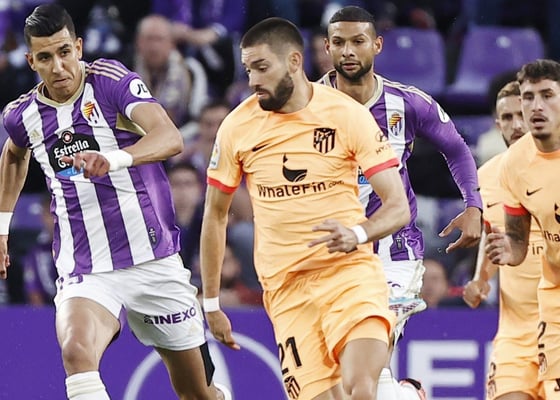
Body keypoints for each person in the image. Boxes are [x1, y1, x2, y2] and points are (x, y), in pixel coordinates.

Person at [0, 4, 230, 400]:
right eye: (45, 58)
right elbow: (13, 155)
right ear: (31, 61)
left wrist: (115, 159)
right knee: (76, 350)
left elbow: (169, 137)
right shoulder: (23, 115)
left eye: (64, 52)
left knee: (197, 392)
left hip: (153, 260)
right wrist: (2, 227)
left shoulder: (109, 81)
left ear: (78, 47)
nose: (58, 67)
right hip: (86, 266)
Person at [200, 16, 411, 400]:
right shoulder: (237, 127)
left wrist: (357, 234)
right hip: (286, 290)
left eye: (262, 68)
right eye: (248, 70)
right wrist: (211, 302)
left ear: (294, 62)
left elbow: (398, 206)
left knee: (361, 389)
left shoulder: (346, 115)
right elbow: (215, 215)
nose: (253, 80)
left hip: (348, 274)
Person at [320, 5, 483, 399]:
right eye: (339, 42)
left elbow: (456, 148)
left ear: (377, 45)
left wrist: (473, 205)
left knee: (367, 361)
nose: (348, 51)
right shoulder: (305, 106)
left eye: (358, 41)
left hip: (393, 252)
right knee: (339, 379)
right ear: (327, 47)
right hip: (329, 252)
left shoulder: (407, 103)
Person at [485, 59, 560, 400]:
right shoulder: (515, 163)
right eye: (529, 97)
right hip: (552, 301)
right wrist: (509, 250)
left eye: (547, 95)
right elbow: (517, 238)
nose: (536, 106)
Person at [464, 80, 543, 400]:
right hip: (514, 335)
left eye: (521, 115)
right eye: (507, 118)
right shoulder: (486, 177)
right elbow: (492, 233)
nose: (516, 125)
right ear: (498, 125)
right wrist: (480, 278)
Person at [134, 14, 193, 127]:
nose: (154, 47)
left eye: (159, 39)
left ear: (171, 43)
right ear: (138, 41)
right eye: (149, 39)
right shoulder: (125, 68)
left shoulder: (191, 70)